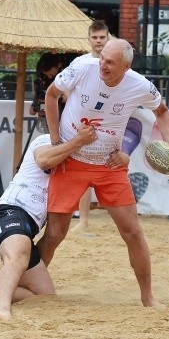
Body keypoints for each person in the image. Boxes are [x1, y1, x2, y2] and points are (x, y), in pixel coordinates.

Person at [38, 37, 169, 307]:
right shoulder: (82, 68)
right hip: (72, 159)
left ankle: (148, 298)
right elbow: (51, 95)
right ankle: (28, 283)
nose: (103, 64)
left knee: (132, 231)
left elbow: (163, 113)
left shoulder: (139, 85)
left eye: (110, 62)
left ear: (126, 66)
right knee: (55, 233)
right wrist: (57, 144)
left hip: (108, 165)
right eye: (102, 58)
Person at [0, 126, 97, 320]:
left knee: (44, 298)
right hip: (10, 211)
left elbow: (55, 234)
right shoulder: (46, 141)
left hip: (29, 225)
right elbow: (43, 160)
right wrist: (79, 141)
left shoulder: (77, 159)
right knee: (18, 255)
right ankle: (2, 310)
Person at [73, 19, 111, 230]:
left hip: (110, 124)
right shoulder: (80, 63)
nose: (98, 41)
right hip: (85, 124)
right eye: (95, 37)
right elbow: (66, 90)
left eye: (102, 37)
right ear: (88, 39)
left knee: (114, 168)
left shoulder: (116, 62)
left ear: (108, 37)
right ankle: (84, 220)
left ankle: (118, 216)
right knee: (83, 172)